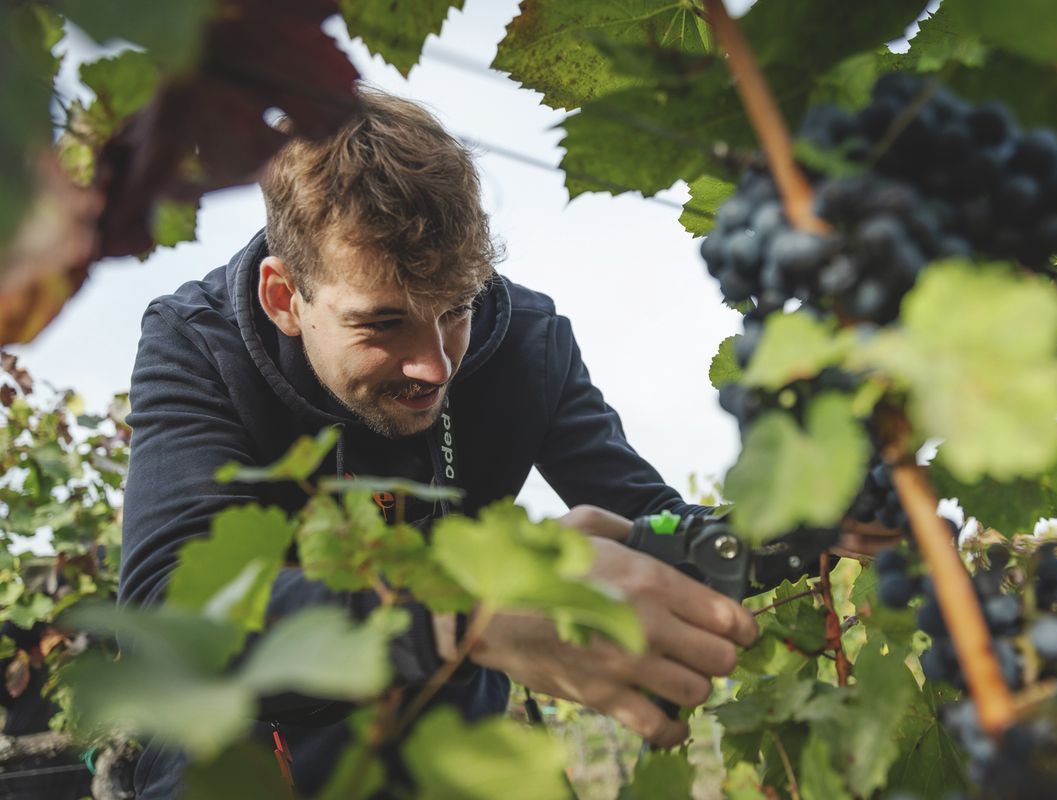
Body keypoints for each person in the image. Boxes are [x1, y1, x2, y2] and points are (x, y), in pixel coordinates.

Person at [118, 88, 758, 797]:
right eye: (382, 324)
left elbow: (651, 521)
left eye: (457, 310)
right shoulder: (199, 346)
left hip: (448, 756)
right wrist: (462, 617)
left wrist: (798, 531)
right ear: (283, 299)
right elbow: (166, 613)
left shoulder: (529, 345)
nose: (435, 367)